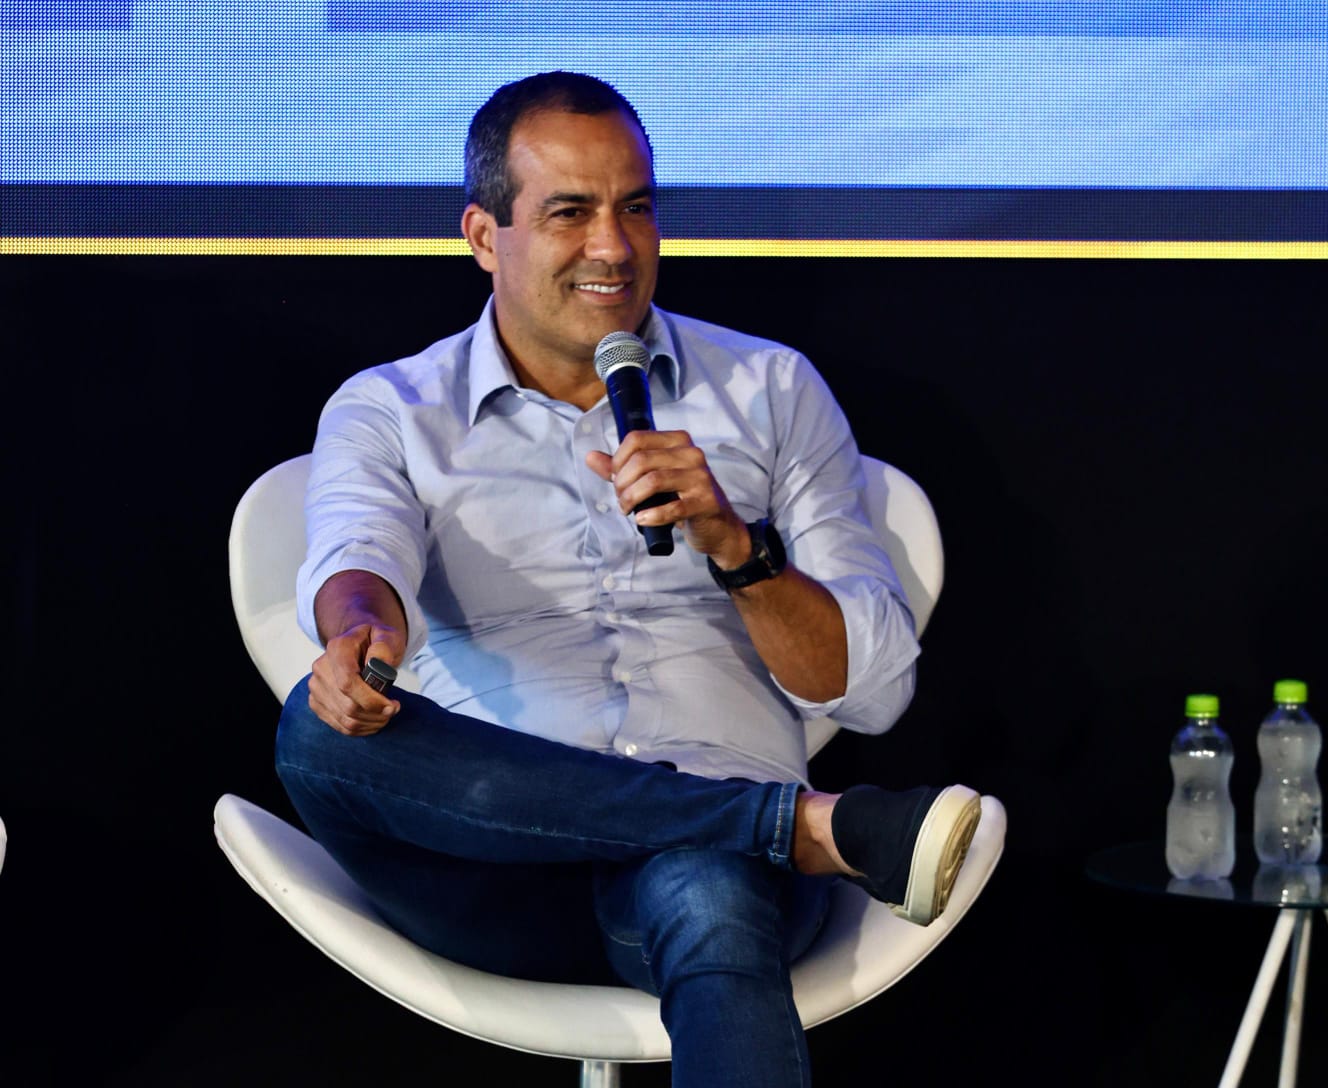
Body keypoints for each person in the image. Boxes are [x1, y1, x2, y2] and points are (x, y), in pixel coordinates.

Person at [275, 71, 980, 1087]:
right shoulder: (392, 408)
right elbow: (359, 555)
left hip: (722, 880)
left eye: (635, 208)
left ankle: (759, 831)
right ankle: (800, 828)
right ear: (483, 235)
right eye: (570, 212)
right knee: (312, 731)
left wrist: (737, 546)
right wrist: (360, 635)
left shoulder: (771, 389)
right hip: (496, 866)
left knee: (704, 883)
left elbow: (872, 693)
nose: (613, 247)